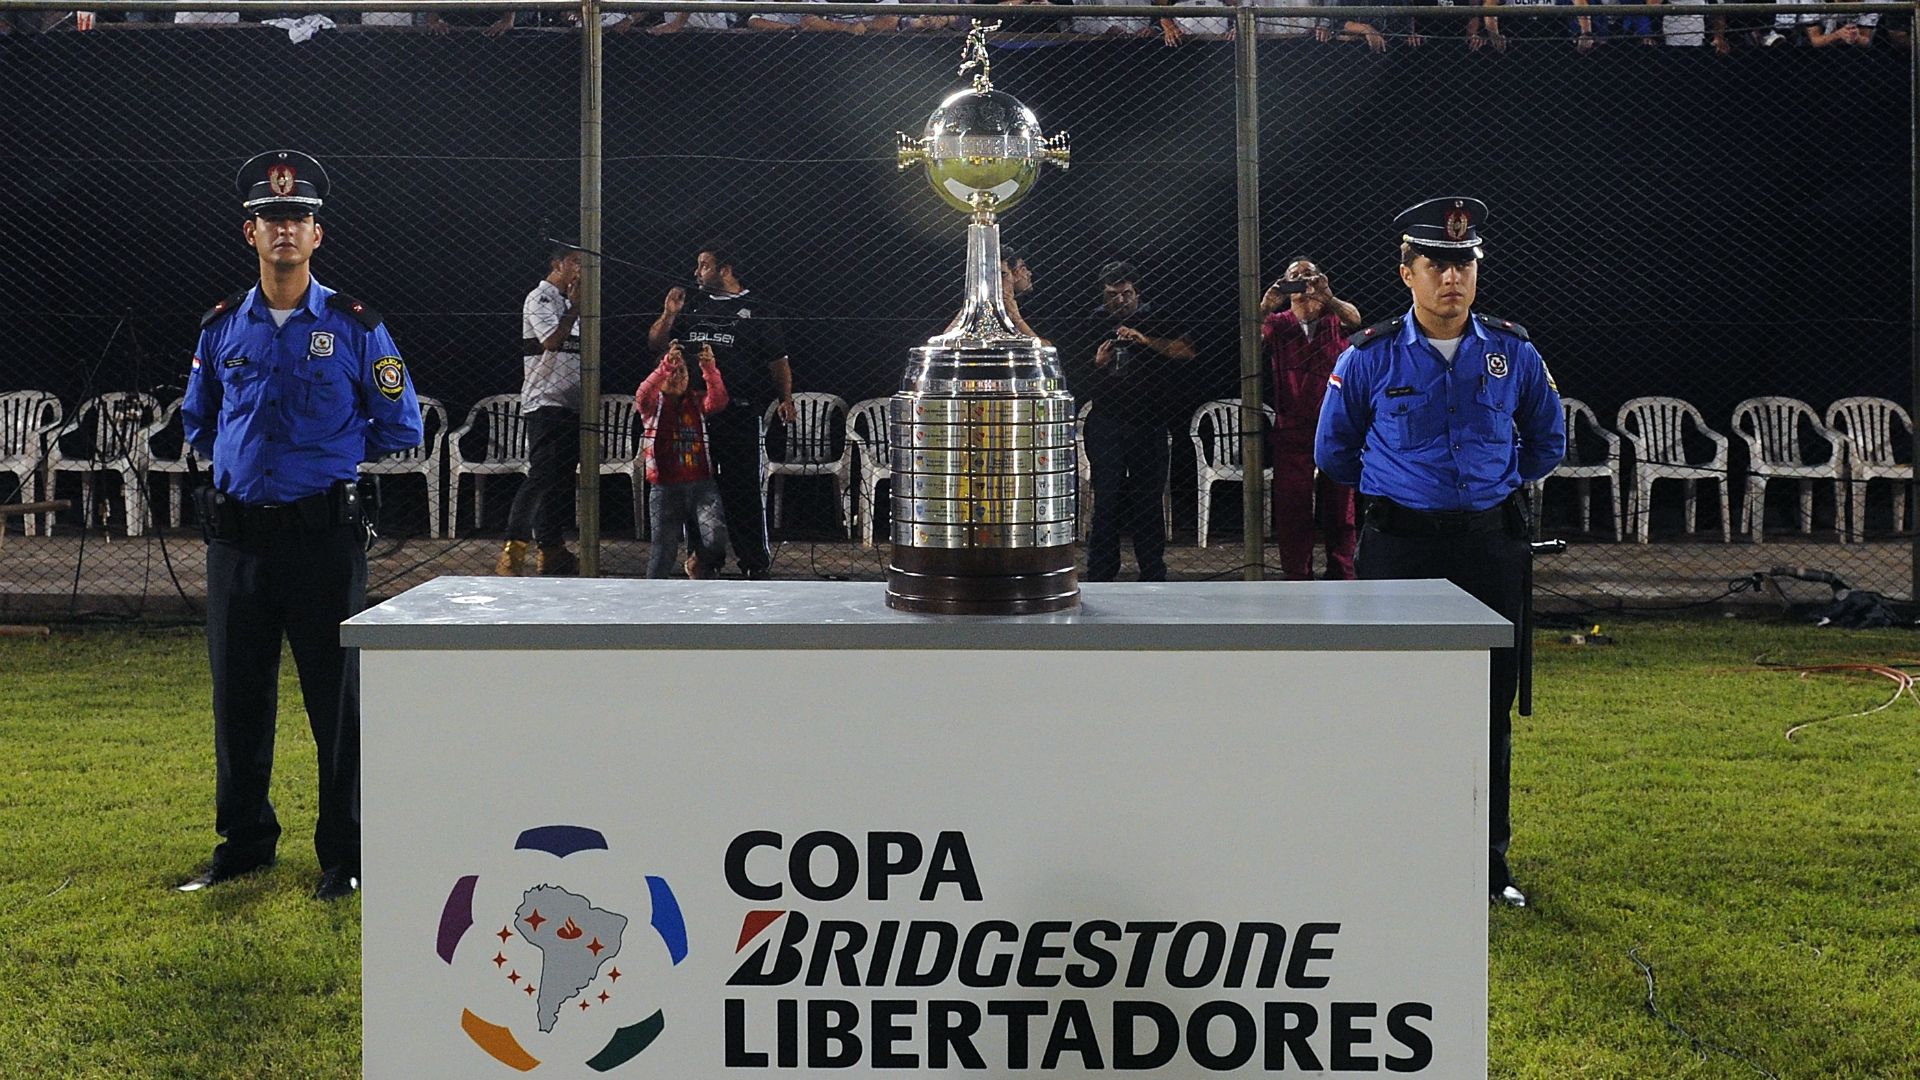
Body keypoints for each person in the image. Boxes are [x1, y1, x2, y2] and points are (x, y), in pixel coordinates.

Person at [178, 150, 423, 901]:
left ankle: (344, 856)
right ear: (249, 234)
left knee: (335, 700)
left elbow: (398, 423)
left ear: (318, 236)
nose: (285, 230)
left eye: (299, 219)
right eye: (271, 219)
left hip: (322, 541)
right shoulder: (221, 329)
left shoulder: (357, 327)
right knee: (239, 697)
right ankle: (245, 842)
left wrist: (325, 464)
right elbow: (200, 420)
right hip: (239, 540)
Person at [1314, 197, 1565, 909]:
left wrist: (1493, 486)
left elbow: (1549, 440)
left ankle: (1488, 867)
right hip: (1401, 550)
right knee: (1397, 706)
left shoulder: (1512, 352)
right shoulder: (1367, 357)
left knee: (1487, 710)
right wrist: (1399, 487)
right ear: (1407, 273)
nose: (1452, 278)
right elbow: (1333, 452)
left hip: (1490, 548)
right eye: (1437, 264)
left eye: (1464, 264)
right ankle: (1396, 854)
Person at [647, 244, 795, 579]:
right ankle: (703, 559)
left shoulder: (756, 310)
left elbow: (778, 361)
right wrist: (669, 314)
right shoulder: (693, 306)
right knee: (695, 488)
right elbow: (656, 343)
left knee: (742, 489)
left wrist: (786, 397)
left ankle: (753, 562)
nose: (697, 273)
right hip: (694, 416)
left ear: (725, 270)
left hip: (739, 413)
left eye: (704, 266)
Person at [1080, 261, 1194, 582]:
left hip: (1149, 420)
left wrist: (1146, 341)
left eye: (1126, 294)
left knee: (1148, 498)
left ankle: (1153, 571)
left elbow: (1186, 350)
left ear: (1136, 291)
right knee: (1106, 499)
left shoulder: (1157, 317)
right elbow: (1074, 373)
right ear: (1103, 296)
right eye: (1112, 295)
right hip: (1106, 420)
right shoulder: (1093, 321)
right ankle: (1101, 571)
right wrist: (1098, 361)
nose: (1119, 301)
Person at [1259, 256, 1361, 581]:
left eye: (1309, 277)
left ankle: (1341, 572)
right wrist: (1265, 305)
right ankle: (1296, 575)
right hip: (1292, 427)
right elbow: (1248, 337)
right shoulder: (1279, 322)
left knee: (1340, 508)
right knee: (1293, 508)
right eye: (1295, 278)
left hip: (1334, 426)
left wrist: (1326, 295)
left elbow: (1356, 319)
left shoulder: (1333, 317)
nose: (1303, 283)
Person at [497, 241, 584, 577]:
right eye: (575, 262)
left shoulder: (567, 302)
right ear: (557, 264)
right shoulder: (541, 298)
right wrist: (574, 309)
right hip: (545, 403)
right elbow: (551, 341)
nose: (579, 270)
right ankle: (513, 549)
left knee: (557, 482)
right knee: (542, 477)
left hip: (571, 404)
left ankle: (551, 550)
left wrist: (575, 307)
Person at [636, 342, 730, 579]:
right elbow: (643, 392)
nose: (678, 376)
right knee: (663, 552)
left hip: (701, 483)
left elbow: (719, 400)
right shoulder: (653, 405)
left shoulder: (696, 401)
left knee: (716, 538)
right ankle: (651, 600)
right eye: (673, 372)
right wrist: (666, 365)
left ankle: (698, 562)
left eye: (683, 371)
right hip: (665, 486)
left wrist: (709, 368)